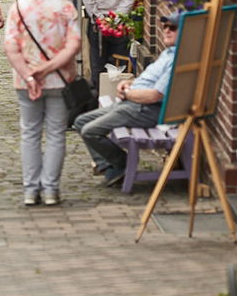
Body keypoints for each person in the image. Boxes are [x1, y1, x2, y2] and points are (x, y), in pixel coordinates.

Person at [4, 0, 80, 206]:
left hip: (26, 81)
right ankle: (50, 189)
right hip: (58, 80)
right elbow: (73, 46)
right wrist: (49, 68)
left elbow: (11, 48)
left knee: (30, 133)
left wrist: (29, 74)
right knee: (57, 134)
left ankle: (30, 189)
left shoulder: (19, 8)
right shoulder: (65, 7)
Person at [74, 12, 180, 187]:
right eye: (165, 26)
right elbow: (150, 81)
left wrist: (128, 94)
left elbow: (156, 95)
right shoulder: (168, 53)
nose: (167, 31)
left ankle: (121, 163)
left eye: (173, 28)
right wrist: (130, 83)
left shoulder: (177, 58)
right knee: (80, 121)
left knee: (90, 130)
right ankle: (110, 166)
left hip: (145, 109)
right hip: (132, 101)